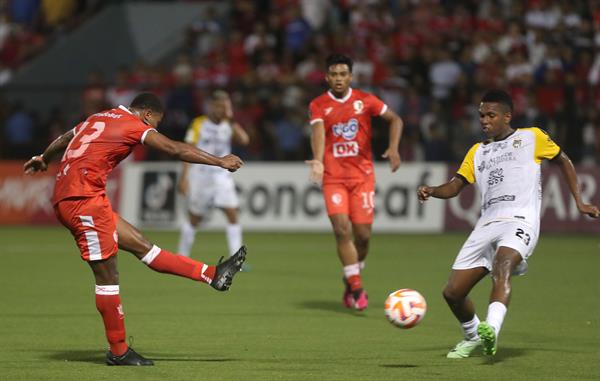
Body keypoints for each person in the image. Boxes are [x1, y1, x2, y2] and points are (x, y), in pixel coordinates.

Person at [23, 93, 248, 366]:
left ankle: (212, 275)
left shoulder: (99, 117)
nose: (154, 129)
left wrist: (43, 157)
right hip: (80, 201)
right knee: (108, 275)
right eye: (155, 123)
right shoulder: (133, 124)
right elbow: (175, 149)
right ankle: (118, 351)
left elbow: (64, 138)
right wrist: (220, 161)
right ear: (147, 115)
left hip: (87, 197)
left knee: (143, 246)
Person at [417, 89, 600, 358]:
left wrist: (580, 201)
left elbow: (563, 160)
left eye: (491, 115)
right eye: (481, 115)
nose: (484, 121)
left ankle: (492, 328)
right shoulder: (477, 151)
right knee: (453, 293)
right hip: (486, 224)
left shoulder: (531, 137)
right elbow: (455, 186)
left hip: (520, 218)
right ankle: (474, 335)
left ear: (507, 116)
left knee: (502, 266)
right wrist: (432, 190)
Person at [305, 53, 404, 311]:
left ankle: (350, 275)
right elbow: (318, 133)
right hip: (333, 177)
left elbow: (395, 119)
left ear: (350, 76)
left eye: (343, 74)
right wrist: (318, 160)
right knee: (341, 229)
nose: (338, 79)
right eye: (333, 75)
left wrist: (393, 148)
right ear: (327, 77)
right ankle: (357, 286)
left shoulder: (365, 100)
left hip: (362, 177)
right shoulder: (318, 104)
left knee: (363, 236)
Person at [177, 90, 250, 261]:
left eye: (225, 106)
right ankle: (181, 255)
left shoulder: (228, 124)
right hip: (202, 177)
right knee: (195, 217)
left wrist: (232, 120)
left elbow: (245, 140)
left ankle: (235, 259)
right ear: (211, 106)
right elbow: (188, 150)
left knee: (232, 213)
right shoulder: (199, 124)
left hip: (222, 177)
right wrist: (184, 178)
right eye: (218, 106)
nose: (221, 110)